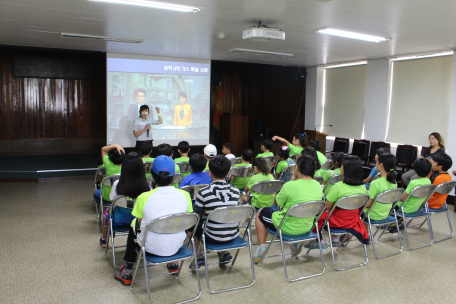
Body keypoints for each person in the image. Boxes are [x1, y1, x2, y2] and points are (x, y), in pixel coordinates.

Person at [114, 156, 193, 284]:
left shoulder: (143, 197)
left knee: (133, 225)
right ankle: (173, 264)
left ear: (152, 176)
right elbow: (187, 220)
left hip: (150, 246)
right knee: (174, 223)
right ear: (174, 176)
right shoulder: (185, 195)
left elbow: (139, 223)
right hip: (177, 245)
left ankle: (127, 271)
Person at [254, 155, 323, 263]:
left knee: (261, 212)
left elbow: (277, 202)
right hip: (306, 227)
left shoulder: (290, 185)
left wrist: (291, 181)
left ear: (297, 168)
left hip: (287, 227)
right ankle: (294, 244)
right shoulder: (318, 185)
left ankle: (262, 247)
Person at [308, 155, 369, 249]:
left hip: (337, 221)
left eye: (342, 166)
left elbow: (327, 206)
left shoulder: (338, 186)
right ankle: (335, 239)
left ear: (346, 169)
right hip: (352, 221)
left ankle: (318, 240)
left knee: (318, 216)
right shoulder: (363, 187)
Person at [190, 156, 240, 268]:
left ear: (210, 173)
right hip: (233, 235)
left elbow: (196, 217)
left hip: (212, 237)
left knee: (191, 225)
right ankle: (222, 252)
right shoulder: (236, 191)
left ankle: (199, 256)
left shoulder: (203, 192)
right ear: (228, 173)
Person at [100, 152, 151, 248]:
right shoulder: (147, 185)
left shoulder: (117, 184)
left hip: (120, 219)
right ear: (141, 168)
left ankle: (104, 239)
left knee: (106, 214)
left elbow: (112, 200)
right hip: (140, 220)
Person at [391, 158, 433, 232]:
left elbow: (403, 198)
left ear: (415, 171)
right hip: (415, 208)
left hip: (403, 208)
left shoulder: (413, 183)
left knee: (388, 200)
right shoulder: (428, 181)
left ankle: (392, 223)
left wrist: (394, 195)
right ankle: (396, 222)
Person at [363, 154, 398, 221]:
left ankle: (364, 231)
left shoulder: (375, 183)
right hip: (385, 214)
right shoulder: (394, 183)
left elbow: (367, 205)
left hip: (372, 215)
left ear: (381, 165)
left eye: (377, 161)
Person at [97, 145, 124, 219]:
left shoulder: (108, 165)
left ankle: (103, 212)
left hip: (108, 197)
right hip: (122, 197)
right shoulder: (127, 165)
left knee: (97, 193)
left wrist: (116, 145)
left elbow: (103, 149)